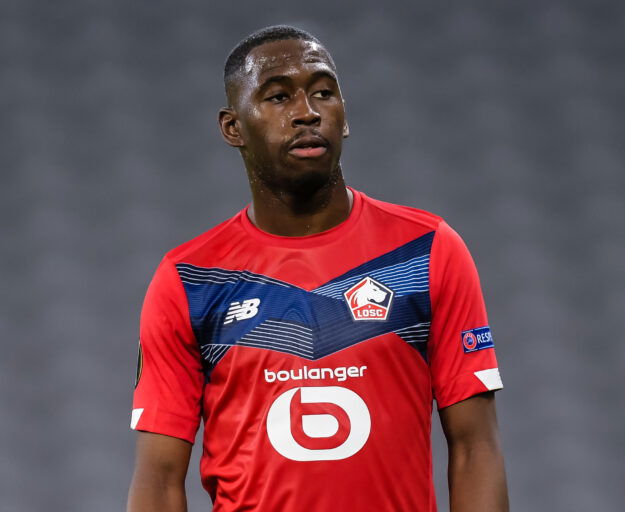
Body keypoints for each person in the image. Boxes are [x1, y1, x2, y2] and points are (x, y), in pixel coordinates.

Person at [127, 25, 508, 512]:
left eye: (324, 93)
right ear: (232, 127)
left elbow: (476, 448)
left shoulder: (427, 250)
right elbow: (158, 479)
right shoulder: (190, 280)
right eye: (278, 97)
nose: (307, 112)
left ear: (344, 117)